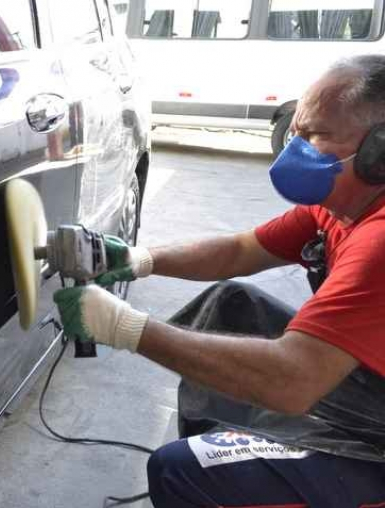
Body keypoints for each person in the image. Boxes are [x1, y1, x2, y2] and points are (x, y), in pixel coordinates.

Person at [54, 54, 385, 506]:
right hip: (367, 384)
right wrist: (137, 258)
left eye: (317, 135)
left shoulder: (379, 241)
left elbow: (293, 381)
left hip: (377, 439)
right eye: (297, 130)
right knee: (230, 305)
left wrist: (122, 327)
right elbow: (241, 250)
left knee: (180, 471)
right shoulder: (338, 206)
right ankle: (238, 453)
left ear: (378, 152)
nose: (296, 148)